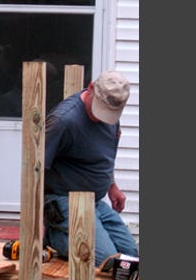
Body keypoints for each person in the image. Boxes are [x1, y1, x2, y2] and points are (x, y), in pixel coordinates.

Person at [43, 70, 139, 267]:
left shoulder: (111, 114)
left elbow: (104, 154)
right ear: (92, 87)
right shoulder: (64, 121)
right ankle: (53, 238)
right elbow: (34, 169)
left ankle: (78, 234)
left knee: (130, 256)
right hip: (64, 200)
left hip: (93, 201)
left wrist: (112, 186)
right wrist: (36, 219)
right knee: (107, 260)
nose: (102, 117)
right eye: (100, 109)